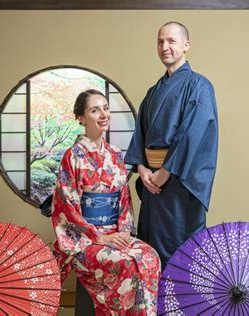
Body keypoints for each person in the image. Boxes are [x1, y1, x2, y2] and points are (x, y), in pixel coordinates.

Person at [51, 89, 161, 315]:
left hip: (115, 235)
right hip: (87, 241)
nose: (103, 114)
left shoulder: (115, 155)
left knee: (150, 257)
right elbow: (66, 206)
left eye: (105, 108)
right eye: (94, 110)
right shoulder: (72, 156)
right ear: (81, 118)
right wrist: (100, 237)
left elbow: (123, 200)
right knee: (127, 264)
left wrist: (123, 234)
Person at [125, 21, 219, 269]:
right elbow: (141, 133)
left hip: (179, 182)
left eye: (171, 41)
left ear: (186, 45)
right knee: (151, 248)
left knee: (182, 249)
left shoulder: (199, 86)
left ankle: (181, 305)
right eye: (160, 41)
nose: (164, 46)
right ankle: (154, 305)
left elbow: (194, 133)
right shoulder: (153, 91)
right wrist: (142, 169)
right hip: (153, 183)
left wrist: (165, 172)